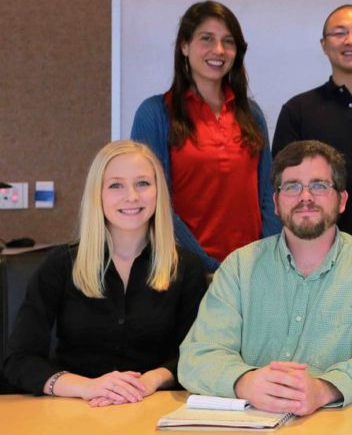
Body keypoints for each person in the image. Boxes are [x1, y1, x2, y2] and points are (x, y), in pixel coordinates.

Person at [178, 140, 352, 416]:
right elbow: (197, 356)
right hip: (250, 434)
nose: (305, 196)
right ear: (275, 202)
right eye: (292, 187)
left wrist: (324, 389)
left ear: (342, 200)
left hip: (341, 432)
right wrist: (245, 382)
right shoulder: (239, 268)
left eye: (320, 185)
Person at [4, 141, 207, 402]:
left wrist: (150, 380)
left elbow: (197, 355)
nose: (132, 196)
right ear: (97, 194)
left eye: (143, 183)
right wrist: (88, 387)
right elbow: (19, 359)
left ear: (159, 191)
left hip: (151, 408)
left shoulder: (186, 268)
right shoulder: (61, 264)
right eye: (116, 185)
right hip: (73, 410)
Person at [131, 0, 280, 271]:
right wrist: (207, 266)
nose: (219, 50)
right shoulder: (155, 114)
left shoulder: (252, 114)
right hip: (183, 270)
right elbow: (153, 201)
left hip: (252, 270)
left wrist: (267, 254)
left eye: (228, 41)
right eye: (207, 39)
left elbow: (268, 194)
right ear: (184, 46)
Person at [273, 4, 352, 247]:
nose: (351, 40)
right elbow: (282, 186)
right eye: (339, 33)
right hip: (313, 250)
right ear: (324, 45)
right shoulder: (297, 110)